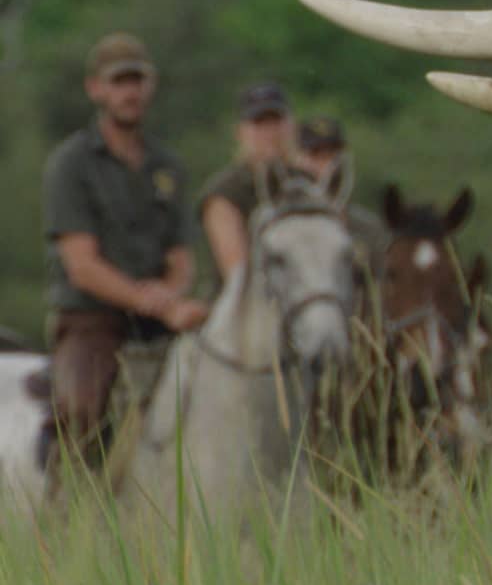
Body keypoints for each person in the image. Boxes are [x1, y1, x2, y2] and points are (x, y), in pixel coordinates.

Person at [42, 33, 208, 458]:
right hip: (92, 317)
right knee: (82, 412)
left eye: (137, 80)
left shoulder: (167, 165)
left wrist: (171, 295)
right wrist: (148, 300)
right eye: (118, 82)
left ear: (149, 86)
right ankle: (65, 508)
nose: (129, 92)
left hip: (161, 314)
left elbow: (182, 258)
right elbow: (82, 265)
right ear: (95, 88)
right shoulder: (72, 163)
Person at [199, 81, 295, 281]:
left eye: (275, 122)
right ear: (240, 132)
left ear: (290, 127)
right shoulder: (225, 191)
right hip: (243, 301)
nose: (270, 133)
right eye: (259, 124)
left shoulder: (304, 183)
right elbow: (237, 274)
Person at [292, 115, 389, 279]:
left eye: (331, 154)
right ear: (299, 160)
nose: (326, 165)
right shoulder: (285, 225)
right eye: (316, 155)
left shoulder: (369, 229)